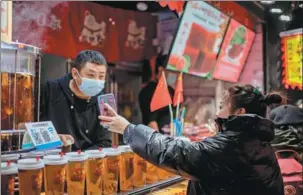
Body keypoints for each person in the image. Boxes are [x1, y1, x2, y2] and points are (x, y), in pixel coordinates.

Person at [99, 84, 284, 195]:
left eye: (222, 106)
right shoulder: (258, 140)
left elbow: (174, 153)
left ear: (240, 112)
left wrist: (127, 128)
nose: (217, 113)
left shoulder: (232, 144)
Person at [41, 50, 111, 150]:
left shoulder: (102, 101)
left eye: (101, 76)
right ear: (75, 73)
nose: (96, 81)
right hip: (53, 160)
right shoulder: (50, 90)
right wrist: (52, 138)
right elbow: (27, 127)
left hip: (87, 162)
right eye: (91, 75)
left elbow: (104, 142)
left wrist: (81, 159)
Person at [138, 54, 174, 133]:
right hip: (157, 139)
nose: (173, 73)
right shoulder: (147, 92)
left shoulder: (171, 90)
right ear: (161, 70)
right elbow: (151, 122)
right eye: (170, 70)